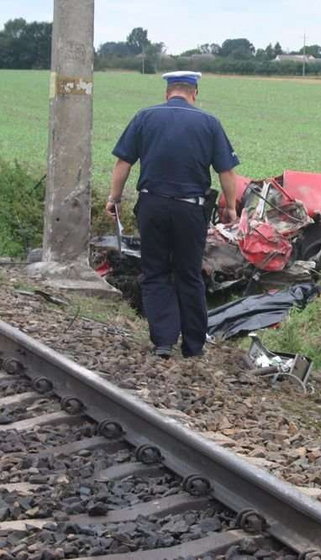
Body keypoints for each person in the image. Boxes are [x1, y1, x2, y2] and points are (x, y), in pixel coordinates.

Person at [106, 71, 240, 359]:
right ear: (194, 93)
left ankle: (163, 343)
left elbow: (123, 163)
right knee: (189, 274)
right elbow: (226, 171)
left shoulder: (145, 117)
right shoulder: (209, 123)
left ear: (168, 92)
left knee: (155, 272)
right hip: (190, 209)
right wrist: (230, 206)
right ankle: (193, 346)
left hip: (152, 206)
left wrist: (114, 198)